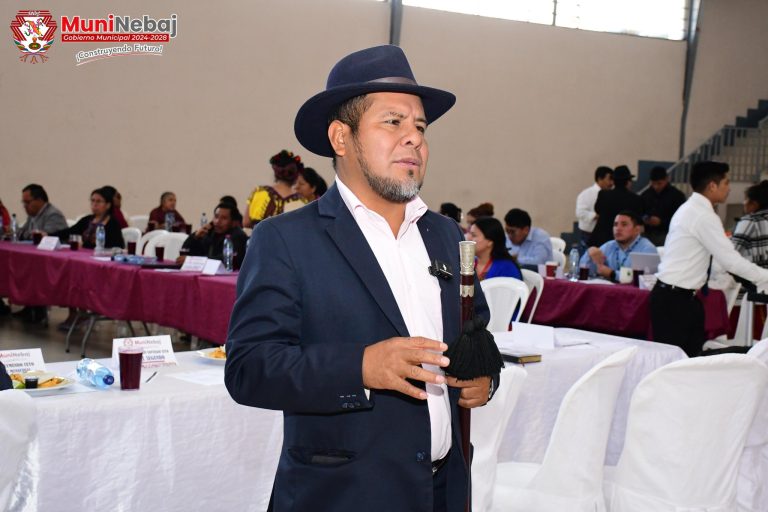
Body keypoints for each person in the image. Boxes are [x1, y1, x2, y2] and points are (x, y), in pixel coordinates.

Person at [225, 45, 495, 512]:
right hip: (342, 496)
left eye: (420, 127)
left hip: (443, 492)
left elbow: (477, 334)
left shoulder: (447, 235)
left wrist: (485, 379)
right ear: (341, 137)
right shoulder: (286, 239)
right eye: (393, 122)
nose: (413, 139)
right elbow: (249, 369)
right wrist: (360, 368)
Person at [651, 161, 768, 357]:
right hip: (675, 301)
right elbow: (731, 261)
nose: (729, 188)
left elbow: (720, 260)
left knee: (690, 360)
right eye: (726, 183)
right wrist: (765, 276)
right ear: (712, 186)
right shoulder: (702, 215)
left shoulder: (690, 209)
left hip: (680, 297)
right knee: (678, 364)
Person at [580, 211, 657, 280]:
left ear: (637, 230)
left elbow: (644, 279)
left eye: (624, 224)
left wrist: (612, 274)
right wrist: (589, 253)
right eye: (615, 224)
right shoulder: (609, 246)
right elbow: (582, 271)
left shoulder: (647, 249)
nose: (618, 228)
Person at [243, 150, 308, 227]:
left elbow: (246, 223)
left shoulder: (259, 192)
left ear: (276, 172)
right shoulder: (302, 202)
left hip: (260, 234)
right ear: (296, 175)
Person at [179, 202, 248, 270]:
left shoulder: (238, 236)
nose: (218, 221)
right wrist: (194, 237)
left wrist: (194, 261)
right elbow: (184, 252)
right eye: (216, 217)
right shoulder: (208, 232)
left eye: (224, 218)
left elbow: (226, 259)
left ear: (233, 223)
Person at [52, 187, 125, 249]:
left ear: (108, 205)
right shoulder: (86, 220)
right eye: (92, 201)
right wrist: (49, 236)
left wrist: (84, 245)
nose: (94, 204)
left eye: (98, 201)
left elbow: (117, 246)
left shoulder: (113, 223)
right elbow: (70, 232)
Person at [590, 165, 644, 247]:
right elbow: (638, 220)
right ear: (628, 182)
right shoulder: (636, 199)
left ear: (614, 181)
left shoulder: (603, 194)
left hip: (600, 240)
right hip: (622, 240)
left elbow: (597, 210)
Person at [640, 166, 686, 246]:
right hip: (647, 234)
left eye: (659, 183)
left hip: (667, 234)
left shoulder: (677, 196)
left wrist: (661, 222)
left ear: (666, 179)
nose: (656, 187)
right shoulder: (646, 195)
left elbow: (681, 219)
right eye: (653, 184)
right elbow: (640, 212)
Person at [575, 166, 613, 250]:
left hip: (606, 235)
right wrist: (596, 216)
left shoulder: (612, 195)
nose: (612, 183)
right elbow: (580, 213)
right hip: (588, 235)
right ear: (600, 179)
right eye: (609, 179)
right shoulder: (586, 194)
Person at [732, 180, 768, 268]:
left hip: (756, 274)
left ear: (754, 204)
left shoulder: (750, 222)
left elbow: (732, 253)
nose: (743, 203)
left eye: (746, 199)